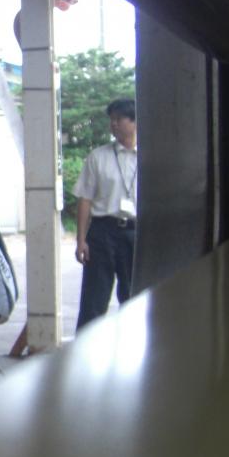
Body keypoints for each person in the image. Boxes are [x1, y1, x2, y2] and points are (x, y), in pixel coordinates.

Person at [74, 98, 138, 330]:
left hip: (136, 233)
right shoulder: (98, 157)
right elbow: (85, 199)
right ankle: (84, 348)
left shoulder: (150, 156)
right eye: (111, 120)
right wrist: (81, 240)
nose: (114, 124)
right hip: (103, 232)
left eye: (119, 119)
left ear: (134, 121)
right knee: (94, 298)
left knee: (133, 297)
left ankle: (131, 347)